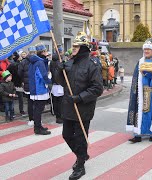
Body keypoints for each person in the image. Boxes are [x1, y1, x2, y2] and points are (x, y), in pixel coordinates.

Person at [54, 32, 103, 180]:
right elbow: (61, 82)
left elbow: (97, 88)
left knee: (81, 138)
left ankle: (80, 166)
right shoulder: (69, 62)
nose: (73, 48)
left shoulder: (92, 65)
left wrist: (80, 98)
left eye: (76, 46)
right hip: (69, 106)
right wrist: (59, 70)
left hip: (83, 108)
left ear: (83, 48)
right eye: (73, 45)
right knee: (66, 135)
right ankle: (82, 154)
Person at [28, 43, 51, 135]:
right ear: (43, 52)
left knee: (37, 109)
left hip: (35, 87)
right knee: (38, 109)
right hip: (40, 88)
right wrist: (49, 80)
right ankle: (37, 128)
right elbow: (43, 76)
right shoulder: (40, 62)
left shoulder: (33, 61)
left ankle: (38, 126)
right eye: (46, 51)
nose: (47, 53)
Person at [18, 46, 37, 126]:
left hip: (28, 85)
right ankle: (36, 119)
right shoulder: (37, 60)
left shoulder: (23, 62)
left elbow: (19, 73)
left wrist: (23, 80)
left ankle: (31, 119)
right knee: (36, 103)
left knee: (30, 102)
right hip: (35, 85)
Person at [7, 51, 25, 116]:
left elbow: (7, 73)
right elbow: (22, 74)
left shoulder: (10, 65)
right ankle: (21, 111)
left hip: (12, 83)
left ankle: (12, 112)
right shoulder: (20, 64)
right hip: (19, 83)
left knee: (12, 99)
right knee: (21, 98)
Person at [50, 46, 64, 124]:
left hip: (55, 83)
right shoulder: (59, 61)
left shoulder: (52, 61)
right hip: (59, 84)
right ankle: (60, 117)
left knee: (56, 101)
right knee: (60, 102)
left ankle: (57, 116)